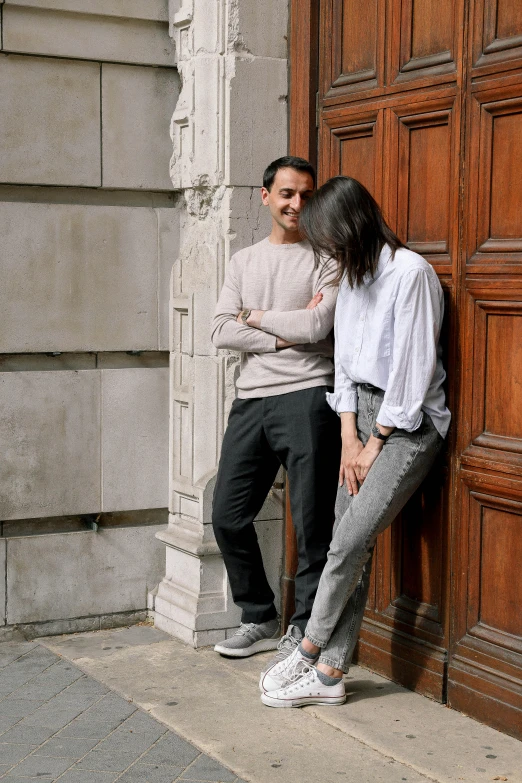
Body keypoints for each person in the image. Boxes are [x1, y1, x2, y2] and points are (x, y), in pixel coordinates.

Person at [259, 175, 451, 707]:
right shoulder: (352, 279)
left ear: (352, 226)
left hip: (407, 426)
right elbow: (343, 365)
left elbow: (413, 377)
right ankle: (329, 676)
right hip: (359, 416)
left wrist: (375, 443)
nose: (327, 252)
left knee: (347, 539)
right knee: (350, 538)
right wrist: (348, 436)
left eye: (330, 240)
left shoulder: (410, 275)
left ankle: (310, 645)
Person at [210, 157, 341, 660]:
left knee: (312, 526)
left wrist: (257, 319)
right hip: (251, 401)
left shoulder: (328, 258)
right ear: (265, 196)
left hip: (309, 397)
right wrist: (288, 333)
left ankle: (302, 630)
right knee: (227, 516)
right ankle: (259, 615)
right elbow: (222, 330)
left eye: (306, 195)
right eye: (287, 194)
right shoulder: (244, 261)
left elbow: (318, 329)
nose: (297, 205)